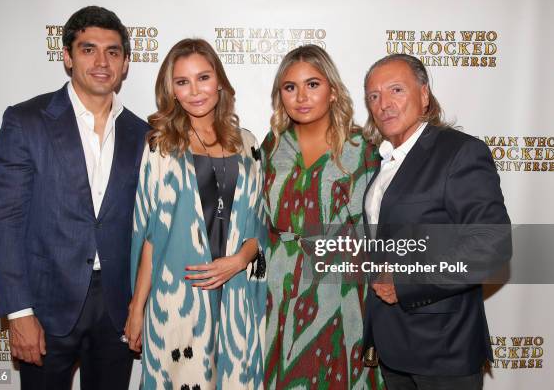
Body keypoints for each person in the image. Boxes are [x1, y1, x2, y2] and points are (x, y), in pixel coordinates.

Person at [0, 6, 150, 389]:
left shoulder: (141, 134)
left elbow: (148, 227)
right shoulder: (26, 121)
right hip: (45, 306)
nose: (101, 61)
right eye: (88, 49)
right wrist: (19, 311)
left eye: (112, 52)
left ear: (125, 63)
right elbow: (5, 222)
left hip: (116, 308)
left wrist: (140, 306)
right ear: (67, 56)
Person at [361, 53, 511, 390]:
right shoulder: (386, 160)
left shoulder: (459, 152)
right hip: (393, 343)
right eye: (374, 95)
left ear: (424, 95)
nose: (384, 104)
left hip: (443, 347)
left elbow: (491, 248)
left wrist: (406, 281)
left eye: (396, 90)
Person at [125, 38, 267, 389]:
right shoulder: (161, 145)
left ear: (219, 80)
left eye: (203, 78)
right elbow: (149, 237)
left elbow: (261, 227)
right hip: (178, 298)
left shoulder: (248, 144)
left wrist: (238, 260)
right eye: (182, 82)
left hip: (237, 295)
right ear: (171, 90)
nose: (195, 91)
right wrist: (136, 307)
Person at [261, 45, 383, 389]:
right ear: (280, 96)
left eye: (312, 84)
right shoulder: (271, 146)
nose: (301, 96)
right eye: (290, 87)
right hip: (278, 288)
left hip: (340, 292)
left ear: (333, 91)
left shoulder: (364, 148)